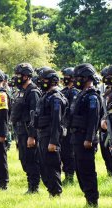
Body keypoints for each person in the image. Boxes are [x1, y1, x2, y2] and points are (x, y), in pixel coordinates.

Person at [70, 63, 101, 207]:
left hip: (85, 139)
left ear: (86, 78)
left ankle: (92, 200)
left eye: (79, 77)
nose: (76, 80)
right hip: (77, 137)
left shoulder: (92, 96)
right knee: (79, 169)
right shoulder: (81, 94)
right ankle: (87, 198)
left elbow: (93, 119)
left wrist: (89, 138)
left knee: (87, 170)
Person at [34, 68, 68, 197]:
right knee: (44, 165)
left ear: (53, 81)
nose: (42, 82)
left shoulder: (55, 98)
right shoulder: (46, 96)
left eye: (45, 80)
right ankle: (51, 190)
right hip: (42, 134)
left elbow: (56, 121)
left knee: (52, 165)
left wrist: (53, 141)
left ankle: (56, 193)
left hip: (50, 135)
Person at [10, 63, 41, 194]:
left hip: (29, 132)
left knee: (31, 160)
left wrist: (32, 136)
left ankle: (34, 187)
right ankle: (31, 185)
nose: (16, 77)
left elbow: (35, 115)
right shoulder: (21, 92)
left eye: (19, 75)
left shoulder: (33, 92)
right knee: (24, 159)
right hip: (21, 131)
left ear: (27, 76)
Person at [60, 67, 79, 185]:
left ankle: (70, 176)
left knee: (69, 153)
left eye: (67, 77)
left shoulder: (75, 92)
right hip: (62, 126)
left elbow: (71, 110)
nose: (64, 79)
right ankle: (66, 173)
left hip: (70, 127)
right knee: (63, 152)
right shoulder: (64, 91)